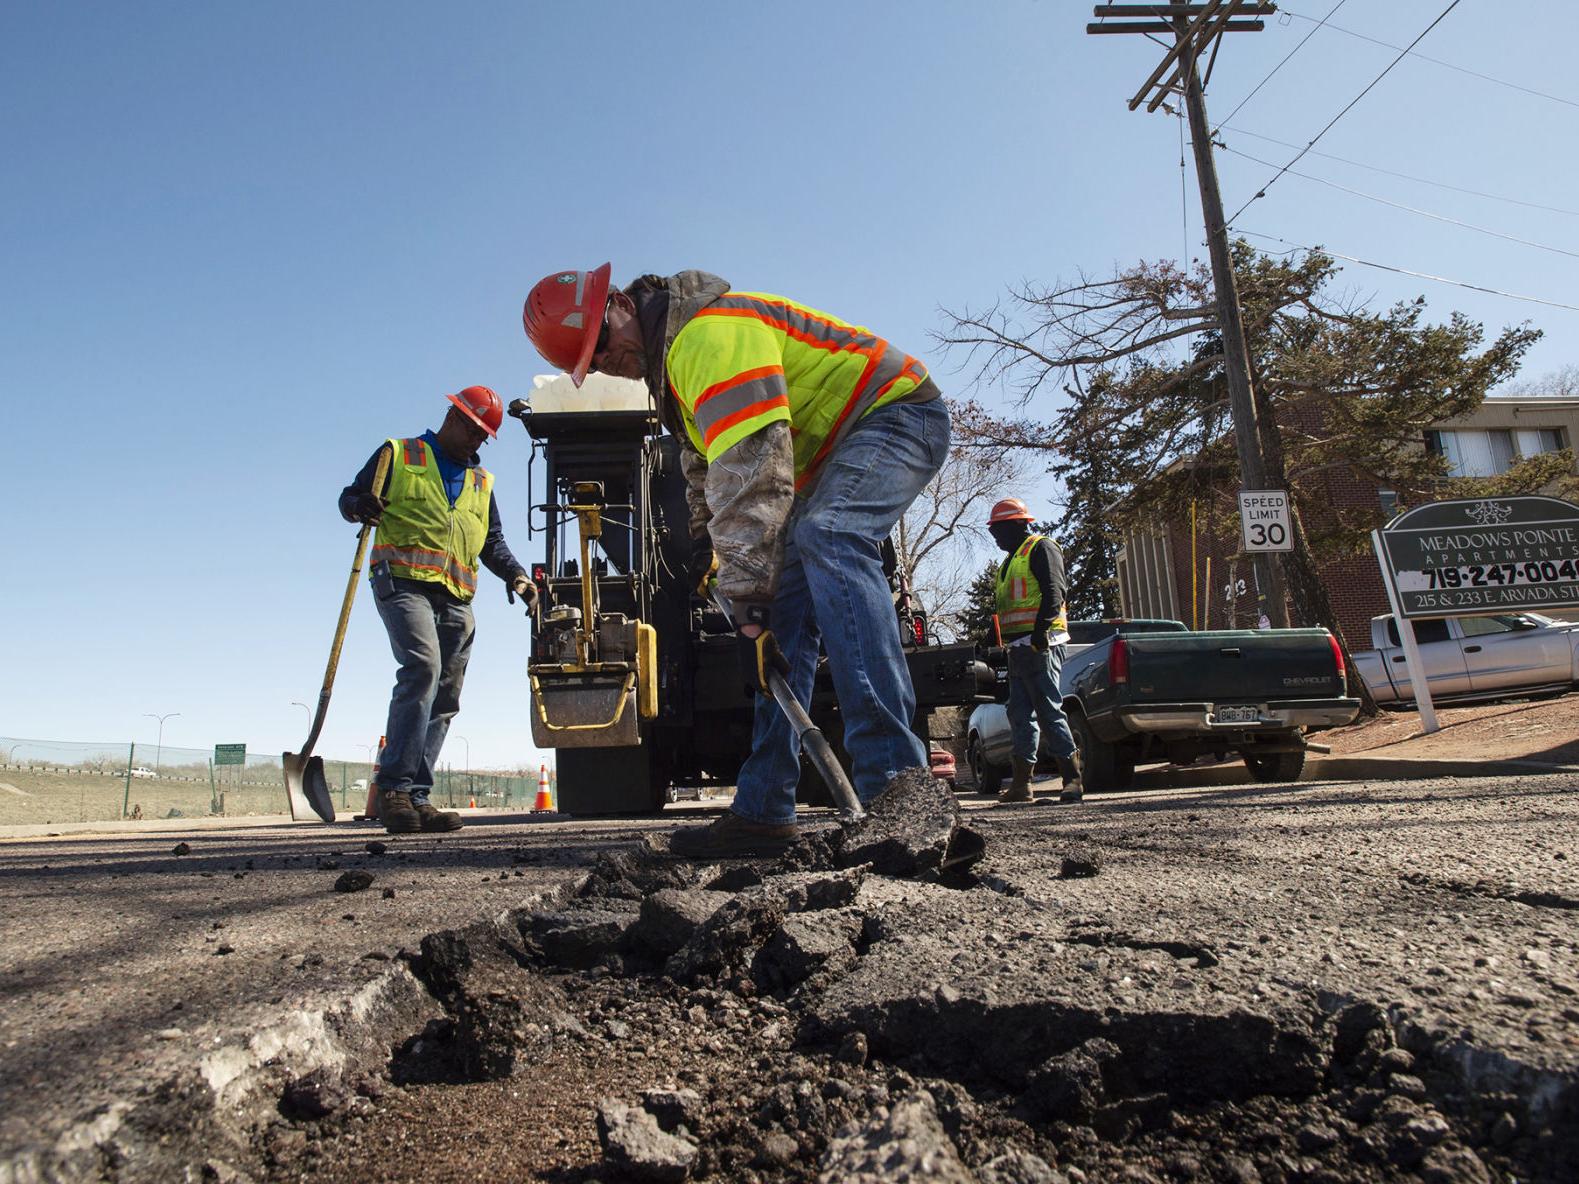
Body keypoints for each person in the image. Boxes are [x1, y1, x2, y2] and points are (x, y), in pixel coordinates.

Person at [523, 265, 950, 857]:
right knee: (781, 624)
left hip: (896, 412)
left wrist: (745, 586)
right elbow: (705, 479)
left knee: (831, 536)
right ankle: (764, 809)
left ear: (621, 303)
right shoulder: (675, 383)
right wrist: (711, 561)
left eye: (600, 342)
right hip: (829, 459)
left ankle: (899, 794)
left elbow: (754, 464)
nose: (603, 362)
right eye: (588, 363)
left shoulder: (707, 336)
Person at [339, 386, 535, 834]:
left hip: (457, 598)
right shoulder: (399, 455)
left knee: (446, 696)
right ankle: (393, 789)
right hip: (402, 583)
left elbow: (493, 542)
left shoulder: (482, 482)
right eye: (472, 429)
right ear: (451, 415)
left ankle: (418, 798)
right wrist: (358, 507)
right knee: (422, 667)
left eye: (484, 435)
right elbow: (349, 497)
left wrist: (518, 577)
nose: (477, 440)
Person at [987, 497, 1083, 804]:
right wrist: (989, 640)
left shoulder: (1042, 548)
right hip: (1018, 648)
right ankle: (1021, 785)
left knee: (1048, 709)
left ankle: (1072, 779)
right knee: (1019, 713)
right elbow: (1008, 608)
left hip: (1042, 644)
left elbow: (1056, 591)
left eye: (998, 530)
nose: (995, 536)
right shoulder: (1009, 561)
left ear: (1018, 524)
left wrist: (1041, 632)